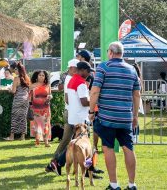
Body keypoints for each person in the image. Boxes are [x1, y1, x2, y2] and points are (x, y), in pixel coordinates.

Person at [88, 41, 141, 190]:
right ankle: (132, 184)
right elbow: (137, 94)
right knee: (128, 148)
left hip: (107, 117)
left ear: (110, 52)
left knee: (108, 148)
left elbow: (95, 91)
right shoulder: (132, 69)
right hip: (125, 118)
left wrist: (91, 111)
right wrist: (135, 116)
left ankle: (114, 184)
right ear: (121, 53)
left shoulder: (103, 67)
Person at [46, 58, 78, 175]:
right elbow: (68, 99)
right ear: (72, 69)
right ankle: (57, 163)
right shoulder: (71, 79)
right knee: (72, 141)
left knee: (66, 141)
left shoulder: (68, 78)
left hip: (69, 112)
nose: (79, 71)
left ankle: (54, 163)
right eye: (78, 68)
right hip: (72, 113)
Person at [4, 63, 31, 141]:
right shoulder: (27, 78)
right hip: (25, 100)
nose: (14, 70)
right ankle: (23, 137)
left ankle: (12, 136)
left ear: (19, 70)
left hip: (18, 99)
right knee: (23, 117)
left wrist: (9, 90)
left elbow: (13, 91)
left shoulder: (16, 78)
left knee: (14, 117)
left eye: (16, 69)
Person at [30, 70, 52, 147]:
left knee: (46, 125)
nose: (41, 77)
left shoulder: (48, 85)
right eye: (40, 75)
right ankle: (37, 142)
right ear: (37, 76)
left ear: (45, 77)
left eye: (43, 75)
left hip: (46, 108)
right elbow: (29, 97)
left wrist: (50, 97)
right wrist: (30, 106)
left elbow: (50, 95)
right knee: (36, 125)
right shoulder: (32, 86)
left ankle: (46, 142)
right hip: (35, 108)